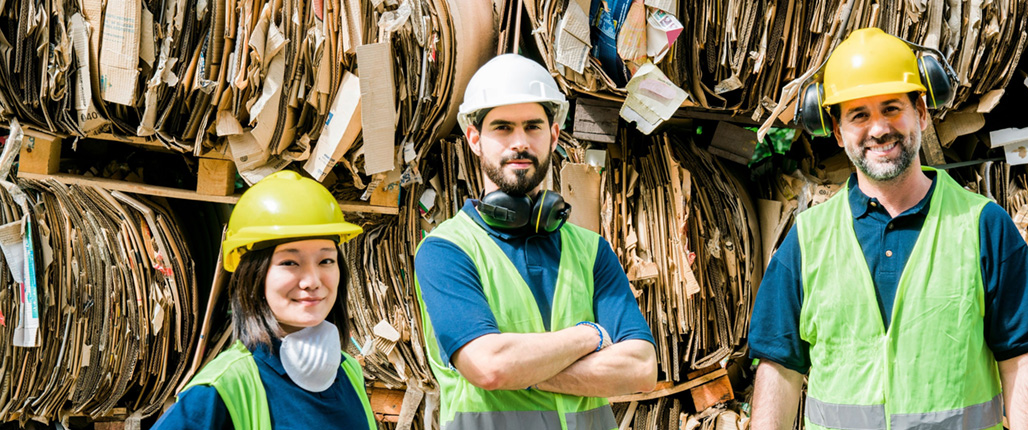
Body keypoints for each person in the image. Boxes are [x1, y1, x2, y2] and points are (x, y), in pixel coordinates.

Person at [748, 28, 1028, 430]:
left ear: (922, 113)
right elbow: (779, 371)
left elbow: (1023, 359)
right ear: (838, 132)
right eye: (859, 115)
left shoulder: (983, 226)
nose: (879, 129)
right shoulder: (806, 241)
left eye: (892, 107)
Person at [413, 53, 657, 430]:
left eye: (532, 127)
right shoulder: (446, 251)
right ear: (475, 139)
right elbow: (490, 367)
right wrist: (589, 334)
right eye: (503, 128)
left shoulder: (591, 250)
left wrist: (525, 368)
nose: (520, 142)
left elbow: (641, 368)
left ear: (554, 135)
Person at [152, 171, 375, 430]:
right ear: (253, 276)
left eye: (326, 260)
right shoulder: (223, 387)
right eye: (290, 262)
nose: (313, 280)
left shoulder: (348, 372)